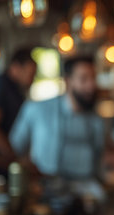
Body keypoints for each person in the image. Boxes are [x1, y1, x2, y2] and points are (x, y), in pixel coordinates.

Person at [10, 56, 105, 200]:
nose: (91, 86)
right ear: (68, 81)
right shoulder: (37, 109)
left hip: (88, 191)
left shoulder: (96, 119)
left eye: (93, 78)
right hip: (46, 191)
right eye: (84, 79)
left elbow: (101, 155)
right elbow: (14, 149)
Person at [0, 48, 37, 176]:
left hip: (4, 159)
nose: (32, 79)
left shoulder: (16, 90)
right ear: (15, 67)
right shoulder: (0, 85)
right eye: (30, 73)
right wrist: (12, 156)